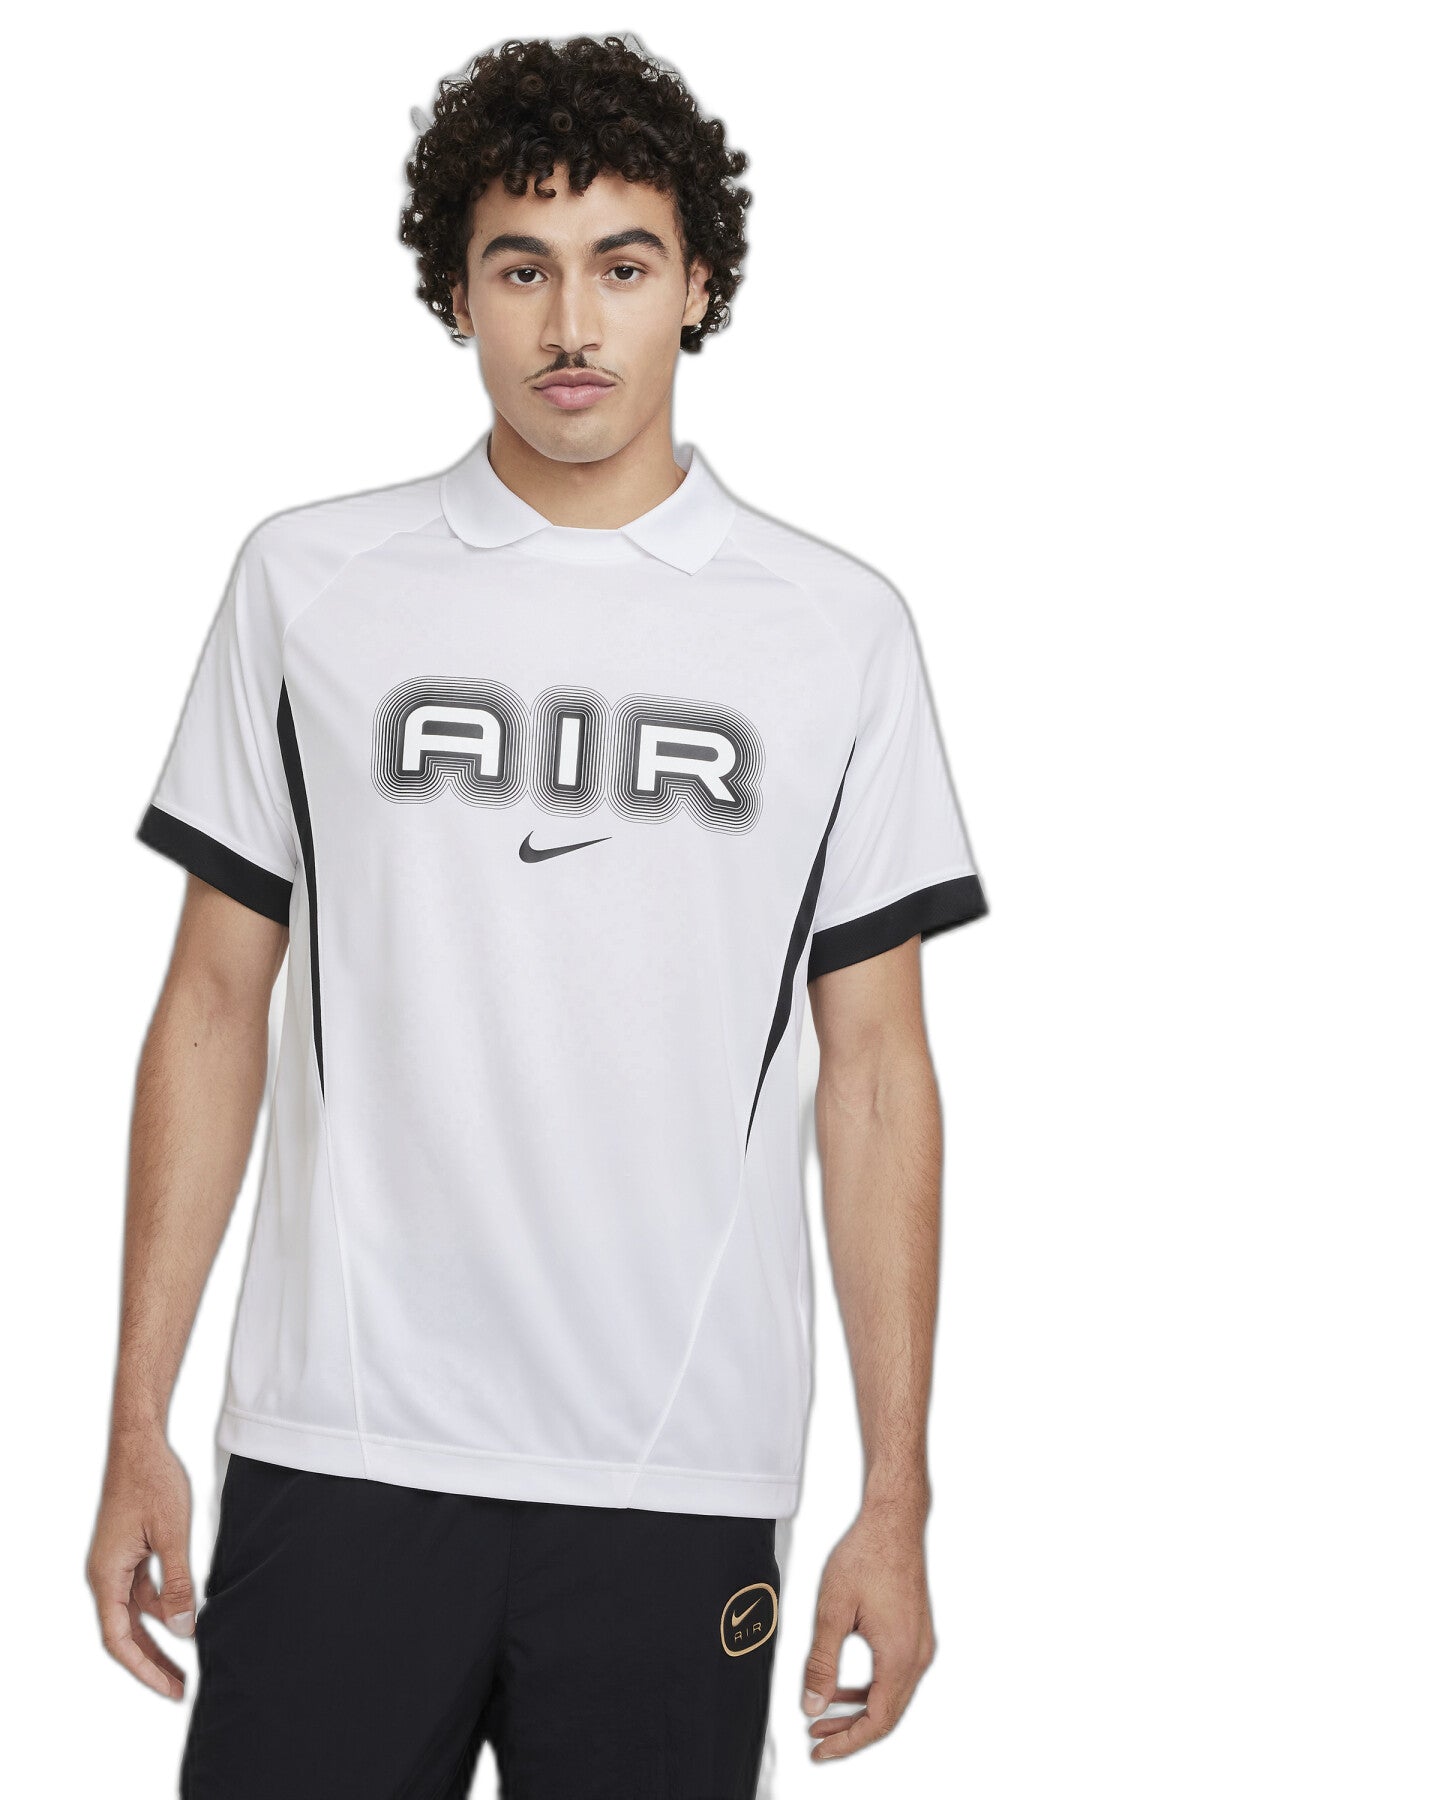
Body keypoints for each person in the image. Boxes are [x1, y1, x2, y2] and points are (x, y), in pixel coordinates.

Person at [86, 31, 986, 1798]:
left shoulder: (836, 630)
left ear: (698, 285)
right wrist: (137, 1417)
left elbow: (879, 1073)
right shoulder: (309, 584)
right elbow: (210, 1004)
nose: (573, 323)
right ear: (457, 292)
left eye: (622, 266)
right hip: (340, 1446)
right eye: (522, 268)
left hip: (678, 1470)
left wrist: (898, 1495)